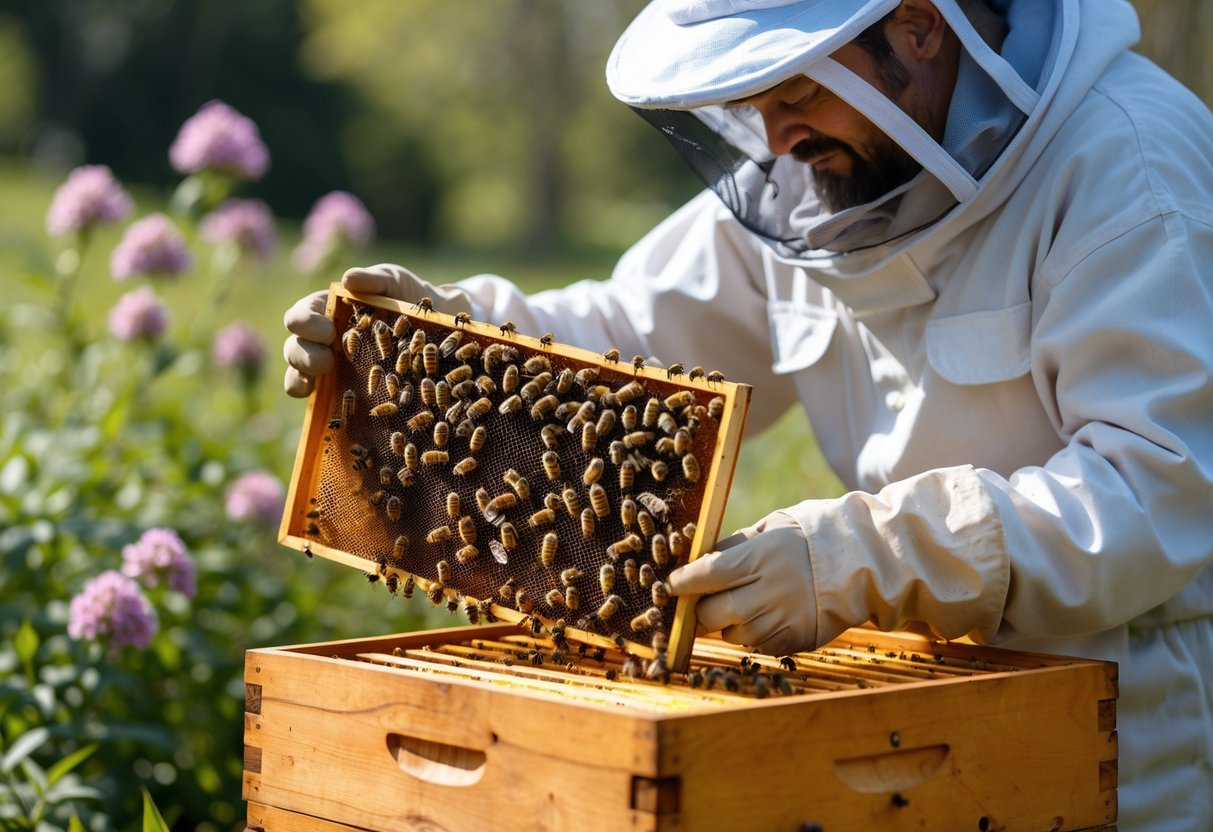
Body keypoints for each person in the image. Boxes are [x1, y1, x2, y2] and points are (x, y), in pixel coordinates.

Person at [282, 0, 1213, 827]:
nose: (773, 139)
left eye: (792, 91)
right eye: (752, 102)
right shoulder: (815, 181)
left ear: (918, 27)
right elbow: (627, 335)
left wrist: (867, 557)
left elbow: (1161, 488)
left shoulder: (1127, 165)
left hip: (1125, 730)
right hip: (906, 722)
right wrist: (454, 338)